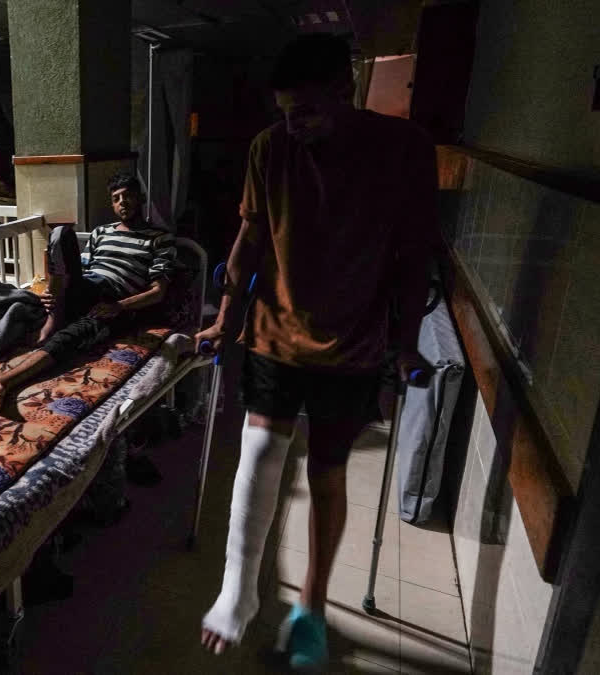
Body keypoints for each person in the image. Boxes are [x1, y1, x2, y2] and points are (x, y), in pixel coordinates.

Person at [196, 34, 438, 668]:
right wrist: (225, 320)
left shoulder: (404, 150)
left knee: (327, 472)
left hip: (354, 340)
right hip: (276, 327)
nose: (292, 124)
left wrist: (407, 342)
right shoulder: (268, 149)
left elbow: (414, 257)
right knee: (260, 452)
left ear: (343, 90)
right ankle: (239, 591)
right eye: (283, 111)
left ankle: (310, 607)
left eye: (304, 110)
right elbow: (247, 244)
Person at [0, 172, 177, 414]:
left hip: (114, 297)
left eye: (128, 196)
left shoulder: (159, 238)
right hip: (85, 286)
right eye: (116, 198)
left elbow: (158, 292)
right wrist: (54, 289)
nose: (122, 202)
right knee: (61, 234)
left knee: (74, 335)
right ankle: (54, 314)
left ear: (141, 198)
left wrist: (120, 306)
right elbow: (74, 269)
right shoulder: (101, 232)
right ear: (112, 204)